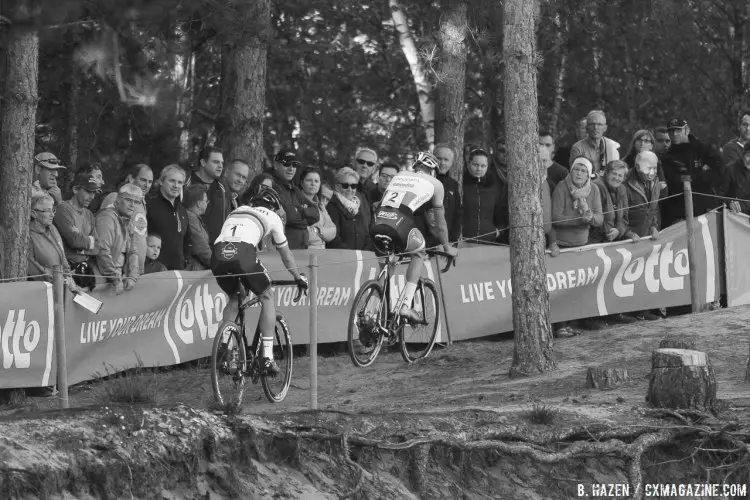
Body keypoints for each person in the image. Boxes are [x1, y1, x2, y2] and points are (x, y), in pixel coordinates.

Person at [212, 185, 308, 375]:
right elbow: (286, 255)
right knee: (267, 296)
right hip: (243, 253)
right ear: (274, 206)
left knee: (235, 297)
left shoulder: (237, 210)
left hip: (218, 254)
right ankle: (267, 357)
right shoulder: (273, 217)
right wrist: (298, 277)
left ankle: (224, 348)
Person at [370, 151, 459, 323]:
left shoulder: (400, 175)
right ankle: (405, 305)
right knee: (419, 252)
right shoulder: (436, 184)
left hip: (377, 223)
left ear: (416, 167)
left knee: (386, 268)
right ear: (433, 170)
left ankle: (370, 311)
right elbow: (439, 224)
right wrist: (447, 247)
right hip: (400, 224)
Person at [661, 118, 723, 227]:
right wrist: (702, 173)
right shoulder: (667, 158)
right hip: (681, 214)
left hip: (708, 210)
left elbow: (720, 172)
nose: (674, 134)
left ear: (687, 130)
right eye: (671, 131)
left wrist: (691, 178)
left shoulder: (704, 149)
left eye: (678, 130)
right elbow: (676, 184)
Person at [100, 164, 153, 273]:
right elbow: (105, 238)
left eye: (150, 182)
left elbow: (137, 237)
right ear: (131, 178)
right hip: (117, 270)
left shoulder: (142, 203)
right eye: (143, 180)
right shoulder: (115, 197)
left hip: (136, 270)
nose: (146, 185)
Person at [53, 172, 101, 291]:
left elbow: (98, 246)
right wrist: (88, 242)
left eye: (94, 192)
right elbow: (74, 241)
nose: (92, 196)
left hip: (84, 272)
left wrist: (79, 247)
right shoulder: (62, 210)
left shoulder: (89, 214)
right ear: (75, 189)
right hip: (67, 272)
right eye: (88, 191)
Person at [27, 192, 79, 293]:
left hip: (62, 287)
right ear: (34, 213)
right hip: (42, 291)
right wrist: (62, 281)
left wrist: (69, 278)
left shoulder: (52, 229)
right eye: (47, 211)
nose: (52, 215)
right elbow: (35, 269)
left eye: (53, 210)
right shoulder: (28, 237)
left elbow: (63, 258)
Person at [269, 149, 320, 249]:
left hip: (301, 249)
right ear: (276, 165)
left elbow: (316, 214)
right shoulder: (272, 185)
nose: (291, 169)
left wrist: (299, 210)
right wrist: (305, 217)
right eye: (286, 164)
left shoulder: (294, 188)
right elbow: (290, 217)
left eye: (294, 165)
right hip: (282, 252)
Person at [95, 184, 141, 294]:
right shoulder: (107, 218)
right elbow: (102, 251)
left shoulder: (128, 220)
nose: (132, 205)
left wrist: (133, 276)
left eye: (137, 202)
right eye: (129, 200)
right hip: (102, 280)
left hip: (116, 280)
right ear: (118, 200)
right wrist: (115, 278)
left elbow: (133, 252)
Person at [146, 164, 189, 270]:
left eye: (180, 182)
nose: (176, 185)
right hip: (154, 272)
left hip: (178, 272)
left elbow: (187, 241)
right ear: (161, 181)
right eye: (172, 181)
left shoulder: (182, 210)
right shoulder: (148, 205)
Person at [184, 146, 231, 244]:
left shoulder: (223, 187)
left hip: (217, 249)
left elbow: (228, 219)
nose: (220, 166)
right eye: (215, 162)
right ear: (203, 163)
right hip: (191, 248)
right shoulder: (186, 182)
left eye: (222, 162)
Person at [462, 148, 508, 244]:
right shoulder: (461, 184)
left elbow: (500, 213)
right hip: (464, 241)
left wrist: (499, 231)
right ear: (468, 164)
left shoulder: (493, 187)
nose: (479, 169)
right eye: (475, 165)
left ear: (487, 167)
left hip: (489, 241)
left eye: (483, 166)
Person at [589, 160, 634, 244]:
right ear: (606, 173)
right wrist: (610, 233)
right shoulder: (596, 186)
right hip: (595, 240)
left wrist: (618, 230)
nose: (616, 178)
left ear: (624, 178)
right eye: (614, 173)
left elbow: (625, 216)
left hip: (614, 238)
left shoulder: (622, 189)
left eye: (620, 175)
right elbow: (593, 217)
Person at [327, 167, 372, 250]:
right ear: (337, 187)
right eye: (345, 185)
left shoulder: (358, 206)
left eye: (353, 186)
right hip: (341, 258)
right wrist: (350, 255)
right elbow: (334, 238)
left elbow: (366, 235)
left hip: (360, 258)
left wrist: (364, 253)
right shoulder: (331, 207)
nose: (350, 189)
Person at [569, 110, 621, 176]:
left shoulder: (612, 146)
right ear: (587, 128)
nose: (595, 128)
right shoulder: (578, 147)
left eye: (599, 124)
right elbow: (577, 174)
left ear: (605, 128)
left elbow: (615, 173)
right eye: (592, 124)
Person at [432, 144, 463, 246]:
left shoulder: (453, 185)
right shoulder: (423, 181)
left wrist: (453, 239)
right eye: (439, 159)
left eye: (446, 160)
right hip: (426, 241)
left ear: (451, 163)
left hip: (447, 242)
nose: (442, 163)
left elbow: (457, 213)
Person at [298, 168, 336, 249]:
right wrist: (323, 235)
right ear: (301, 183)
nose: (313, 184)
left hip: (321, 255)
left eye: (316, 181)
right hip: (301, 254)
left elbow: (333, 232)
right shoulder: (295, 201)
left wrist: (317, 230)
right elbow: (301, 234)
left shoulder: (320, 206)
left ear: (319, 184)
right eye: (309, 180)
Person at [184, 184, 212, 271]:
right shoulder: (191, 218)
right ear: (199, 204)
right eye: (206, 201)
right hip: (194, 270)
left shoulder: (193, 217)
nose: (207, 203)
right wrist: (218, 264)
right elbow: (201, 248)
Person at [722, 142, 750, 215]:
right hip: (735, 215)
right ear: (743, 154)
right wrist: (730, 203)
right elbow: (719, 196)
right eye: (748, 155)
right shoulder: (730, 169)